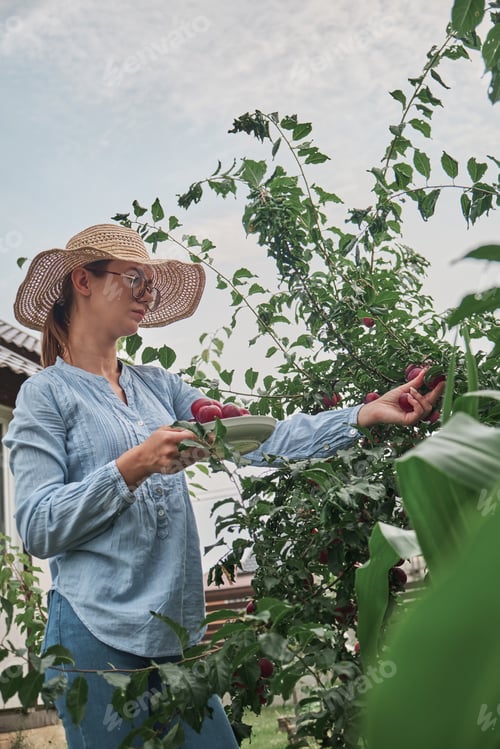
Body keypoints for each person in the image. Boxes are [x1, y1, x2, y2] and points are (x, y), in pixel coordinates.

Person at [3, 223, 445, 748]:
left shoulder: (158, 387)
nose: (148, 295)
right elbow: (37, 525)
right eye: (137, 280)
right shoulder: (44, 395)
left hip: (169, 636)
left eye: (153, 285)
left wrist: (362, 416)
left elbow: (259, 439)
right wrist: (134, 465)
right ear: (83, 280)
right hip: (93, 638)